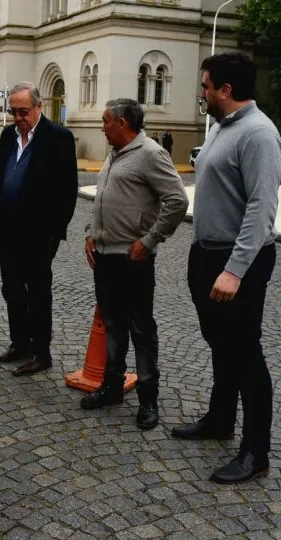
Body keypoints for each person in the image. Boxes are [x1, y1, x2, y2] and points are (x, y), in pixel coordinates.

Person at [172, 52, 281, 485]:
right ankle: (220, 419)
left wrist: (235, 270)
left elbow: (261, 208)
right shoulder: (221, 126)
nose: (202, 93)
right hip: (208, 255)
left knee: (245, 353)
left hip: (239, 263)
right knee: (221, 343)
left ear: (226, 89)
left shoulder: (258, 133)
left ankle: (256, 451)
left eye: (206, 86)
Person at [80, 98, 188, 430]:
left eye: (105, 121)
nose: (102, 127)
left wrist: (150, 240)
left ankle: (148, 399)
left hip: (133, 259)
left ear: (122, 123)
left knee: (141, 329)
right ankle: (112, 386)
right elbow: (105, 200)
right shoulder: (114, 153)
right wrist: (91, 233)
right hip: (105, 257)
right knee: (113, 325)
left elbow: (177, 201)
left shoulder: (151, 153)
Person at [0, 81, 79, 377]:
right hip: (6, 231)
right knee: (12, 289)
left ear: (39, 106)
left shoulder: (58, 138)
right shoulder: (7, 135)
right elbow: (0, 178)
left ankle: (41, 353)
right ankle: (20, 344)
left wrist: (54, 232)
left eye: (23, 111)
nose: (18, 117)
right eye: (13, 111)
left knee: (38, 292)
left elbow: (68, 190)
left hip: (39, 235)